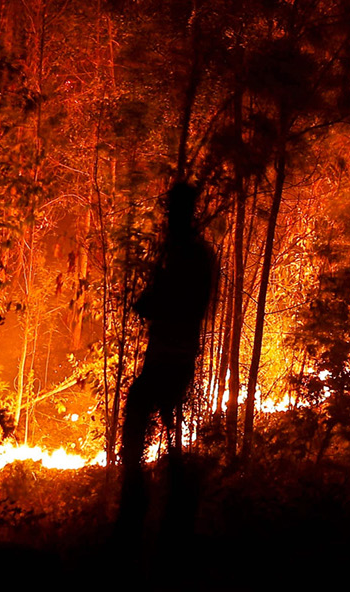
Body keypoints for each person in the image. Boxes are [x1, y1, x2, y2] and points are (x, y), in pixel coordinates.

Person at [116, 181, 216, 540]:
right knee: (168, 429)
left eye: (170, 212)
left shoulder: (184, 256)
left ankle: (146, 504)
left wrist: (152, 299)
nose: (167, 218)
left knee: (142, 416)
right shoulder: (194, 254)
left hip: (169, 355)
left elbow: (158, 302)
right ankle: (172, 506)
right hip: (178, 355)